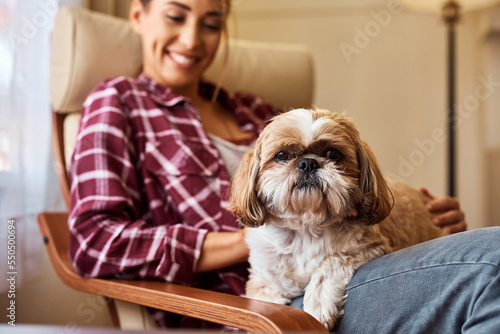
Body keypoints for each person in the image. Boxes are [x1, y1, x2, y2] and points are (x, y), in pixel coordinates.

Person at [68, 0, 499, 332]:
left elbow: (347, 181)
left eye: (212, 22)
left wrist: (415, 215)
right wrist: (248, 238)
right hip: (257, 307)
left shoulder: (255, 109)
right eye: (176, 16)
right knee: (492, 259)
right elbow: (92, 241)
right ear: (138, 14)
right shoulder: (119, 103)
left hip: (346, 269)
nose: (192, 39)